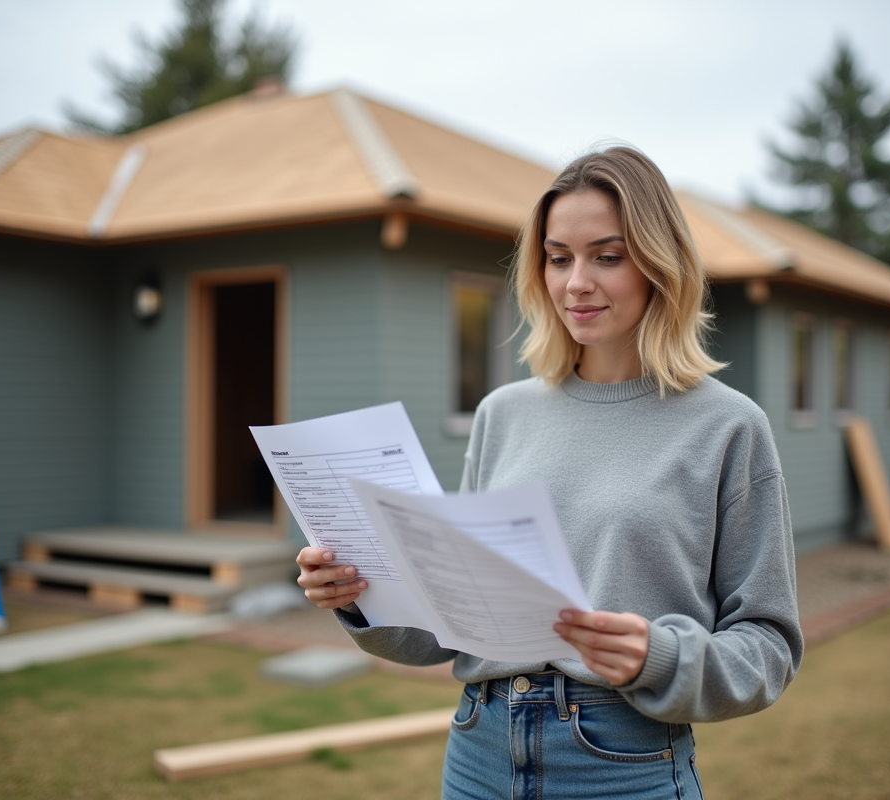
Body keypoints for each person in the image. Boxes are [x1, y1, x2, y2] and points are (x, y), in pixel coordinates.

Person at [296, 145, 803, 799]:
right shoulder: (502, 414)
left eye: (607, 256)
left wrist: (661, 656)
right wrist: (359, 596)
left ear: (659, 263)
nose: (575, 282)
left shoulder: (728, 427)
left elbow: (769, 646)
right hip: (478, 751)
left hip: (620, 762)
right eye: (559, 257)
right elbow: (450, 628)